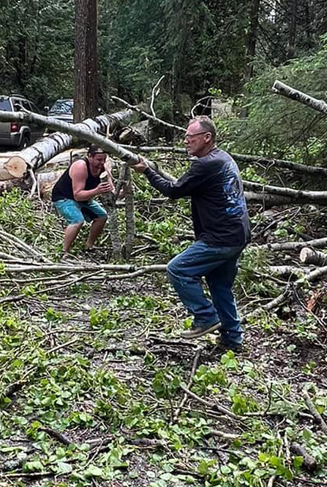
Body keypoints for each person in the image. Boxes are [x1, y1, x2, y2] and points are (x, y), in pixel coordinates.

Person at [133, 117, 250, 352]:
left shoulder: (205, 164)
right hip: (238, 234)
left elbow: (174, 190)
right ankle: (233, 339)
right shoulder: (222, 158)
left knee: (178, 269)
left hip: (220, 238)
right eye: (186, 136)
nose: (186, 141)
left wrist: (147, 171)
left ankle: (206, 317)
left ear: (207, 138)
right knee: (220, 285)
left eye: (191, 137)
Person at [51, 145, 112, 254]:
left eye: (104, 159)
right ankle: (64, 252)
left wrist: (124, 191)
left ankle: (89, 246)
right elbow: (77, 195)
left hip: (84, 199)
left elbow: (112, 191)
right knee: (77, 220)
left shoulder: (104, 168)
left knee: (102, 216)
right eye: (98, 160)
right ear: (90, 157)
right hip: (64, 198)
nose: (101, 163)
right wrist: (97, 191)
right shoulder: (80, 166)